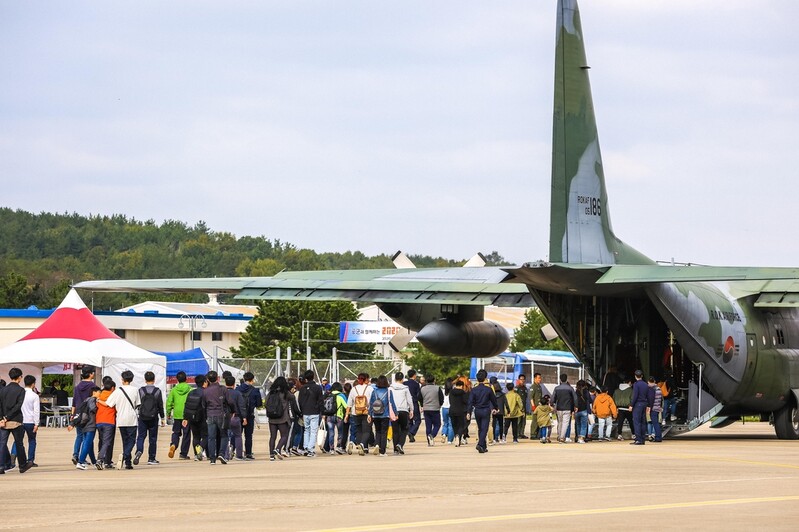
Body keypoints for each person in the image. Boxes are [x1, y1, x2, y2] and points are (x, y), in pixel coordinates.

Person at [101, 370, 139, 470]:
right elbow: (138, 404)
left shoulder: (118, 391)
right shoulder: (135, 390)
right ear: (131, 379)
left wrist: (98, 400)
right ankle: (126, 456)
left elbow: (108, 404)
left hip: (121, 419)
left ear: (122, 380)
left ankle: (128, 462)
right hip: (132, 419)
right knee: (132, 441)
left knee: (125, 441)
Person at [0, 368, 33, 474]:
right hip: (15, 420)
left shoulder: (3, 390)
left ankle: (1, 466)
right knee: (19, 443)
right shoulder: (21, 390)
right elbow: (18, 406)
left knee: (2, 443)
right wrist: (8, 417)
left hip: (3, 422)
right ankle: (22, 465)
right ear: (19, 377)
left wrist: (2, 418)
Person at [134, 371, 165, 465]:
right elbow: (160, 405)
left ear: (145, 380)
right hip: (153, 417)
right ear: (154, 379)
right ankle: (151, 458)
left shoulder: (141, 390)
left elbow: (138, 404)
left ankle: (139, 450)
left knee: (141, 436)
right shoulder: (157, 391)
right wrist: (162, 418)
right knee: (153, 438)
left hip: (142, 417)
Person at [68, 386, 102, 470]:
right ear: (94, 392)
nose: (100, 394)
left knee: (90, 444)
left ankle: (94, 462)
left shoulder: (86, 400)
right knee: (87, 443)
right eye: (99, 392)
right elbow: (93, 409)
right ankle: (81, 461)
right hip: (90, 424)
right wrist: (99, 404)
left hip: (85, 424)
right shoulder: (92, 400)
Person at [265, 376, 299, 461]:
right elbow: (293, 397)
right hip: (283, 418)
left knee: (272, 437)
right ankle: (277, 449)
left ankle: (271, 455)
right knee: (284, 435)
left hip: (272, 418)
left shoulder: (271, 392)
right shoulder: (285, 393)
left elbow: (266, 403)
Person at [466, 369, 498, 453]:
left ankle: (483, 447)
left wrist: (468, 412)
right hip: (486, 410)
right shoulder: (488, 389)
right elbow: (494, 400)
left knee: (480, 428)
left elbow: (470, 402)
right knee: (484, 428)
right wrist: (496, 408)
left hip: (477, 410)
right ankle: (480, 444)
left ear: (477, 379)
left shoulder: (474, 390)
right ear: (485, 378)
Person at [71, 366, 96, 465]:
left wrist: (72, 415)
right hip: (88, 415)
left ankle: (75, 454)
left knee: (79, 436)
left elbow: (74, 401)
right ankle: (83, 457)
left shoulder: (77, 386)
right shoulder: (92, 386)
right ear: (90, 374)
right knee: (87, 437)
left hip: (78, 413)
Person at [345, 373, 373, 456]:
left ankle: (360, 444)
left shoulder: (354, 389)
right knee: (367, 431)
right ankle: (363, 444)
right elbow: (372, 402)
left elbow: (349, 403)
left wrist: (347, 415)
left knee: (359, 430)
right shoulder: (370, 389)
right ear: (366, 380)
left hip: (355, 412)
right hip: (366, 412)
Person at [203, 370, 228, 464]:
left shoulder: (205, 391)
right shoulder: (223, 389)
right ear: (217, 378)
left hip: (210, 414)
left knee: (211, 437)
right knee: (224, 435)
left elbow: (203, 405)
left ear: (208, 379)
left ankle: (212, 458)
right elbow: (229, 402)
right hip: (221, 414)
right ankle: (221, 453)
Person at [166, 371, 192, 460]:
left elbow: (169, 402)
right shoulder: (190, 389)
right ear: (186, 379)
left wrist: (168, 413)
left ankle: (174, 444)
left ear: (177, 380)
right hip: (187, 415)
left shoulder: (173, 390)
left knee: (176, 432)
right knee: (186, 434)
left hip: (177, 414)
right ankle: (183, 454)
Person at [236, 372, 263, 460]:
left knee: (237, 435)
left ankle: (237, 452)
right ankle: (248, 453)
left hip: (238, 415)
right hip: (250, 415)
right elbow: (259, 404)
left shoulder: (237, 389)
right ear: (252, 379)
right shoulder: (255, 390)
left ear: (244, 379)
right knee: (248, 436)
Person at [297, 369, 322, 458]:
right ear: (313, 376)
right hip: (314, 412)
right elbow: (320, 400)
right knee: (313, 431)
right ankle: (311, 449)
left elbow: (299, 401)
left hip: (305, 412)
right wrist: (320, 410)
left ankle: (306, 447)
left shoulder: (302, 388)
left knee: (306, 430)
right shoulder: (318, 387)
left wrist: (302, 411)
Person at [182, 374, 207, 461]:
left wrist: (185, 418)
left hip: (192, 417)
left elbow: (186, 405)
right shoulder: (205, 392)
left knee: (196, 437)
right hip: (203, 417)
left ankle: (196, 455)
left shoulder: (191, 392)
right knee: (205, 436)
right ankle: (201, 449)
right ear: (204, 382)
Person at [17, 375, 40, 468]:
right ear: (33, 384)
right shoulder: (34, 396)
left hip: (20, 421)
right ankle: (30, 460)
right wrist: (37, 423)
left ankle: (14, 456)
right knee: (32, 440)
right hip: (30, 421)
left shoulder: (20, 393)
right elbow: (36, 410)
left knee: (18, 441)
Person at [388, 372, 413, 454]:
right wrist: (411, 409)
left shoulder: (390, 388)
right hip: (403, 410)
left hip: (393, 411)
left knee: (395, 431)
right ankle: (400, 444)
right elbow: (409, 400)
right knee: (404, 429)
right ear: (402, 379)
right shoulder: (405, 388)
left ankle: (395, 449)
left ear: (395, 378)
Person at [369, 375, 393, 456]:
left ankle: (377, 445)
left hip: (375, 415)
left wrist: (369, 414)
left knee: (377, 431)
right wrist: (395, 414)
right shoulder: (388, 391)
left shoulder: (374, 391)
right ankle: (382, 451)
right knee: (384, 432)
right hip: (385, 414)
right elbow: (392, 403)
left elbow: (371, 404)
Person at [96, 379, 116, 469]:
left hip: (99, 421)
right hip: (109, 421)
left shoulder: (99, 395)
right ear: (112, 388)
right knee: (107, 442)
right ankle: (102, 460)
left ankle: (103, 458)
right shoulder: (113, 395)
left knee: (101, 440)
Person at [551, 373, 578, 443]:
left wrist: (552, 405)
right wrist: (576, 406)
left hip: (559, 408)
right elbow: (575, 398)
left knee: (560, 422)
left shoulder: (556, 388)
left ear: (560, 379)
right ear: (566, 379)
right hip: (567, 408)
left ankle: (559, 436)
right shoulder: (570, 388)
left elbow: (553, 398)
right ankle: (562, 437)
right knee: (565, 423)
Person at [323, 382, 348, 454]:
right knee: (340, 432)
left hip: (329, 416)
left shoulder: (328, 395)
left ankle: (331, 449)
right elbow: (346, 406)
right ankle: (338, 447)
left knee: (331, 432)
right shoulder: (341, 396)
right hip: (339, 416)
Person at [419, 374, 443, 446]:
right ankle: (432, 435)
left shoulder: (423, 389)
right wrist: (440, 404)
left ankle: (429, 441)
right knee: (437, 424)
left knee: (428, 425)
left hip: (426, 409)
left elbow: (419, 397)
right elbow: (441, 398)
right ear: (434, 380)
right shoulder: (437, 388)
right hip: (435, 408)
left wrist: (422, 405)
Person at [630, 370, 649, 445]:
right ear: (642, 376)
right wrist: (648, 405)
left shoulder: (636, 384)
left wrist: (631, 404)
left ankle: (638, 439)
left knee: (637, 422)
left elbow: (635, 395)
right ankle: (643, 439)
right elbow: (648, 395)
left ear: (635, 376)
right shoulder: (645, 384)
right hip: (644, 403)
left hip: (638, 404)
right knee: (643, 422)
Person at [448, 379, 468, 446]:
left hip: (452, 410)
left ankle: (456, 435)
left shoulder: (451, 392)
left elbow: (450, 401)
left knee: (454, 425)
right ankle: (458, 437)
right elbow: (466, 402)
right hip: (460, 411)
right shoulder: (463, 393)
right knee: (461, 425)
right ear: (462, 386)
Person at [613, 376, 634, 440]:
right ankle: (634, 434)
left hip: (619, 408)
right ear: (629, 382)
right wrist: (631, 405)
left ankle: (619, 434)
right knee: (631, 422)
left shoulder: (616, 390)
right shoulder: (631, 390)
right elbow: (632, 399)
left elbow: (613, 399)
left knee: (620, 422)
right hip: (628, 408)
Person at [404, 369, 422, 442]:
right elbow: (418, 395)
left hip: (406, 403)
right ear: (414, 375)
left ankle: (411, 434)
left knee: (409, 420)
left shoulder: (404, 383)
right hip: (414, 402)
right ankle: (412, 432)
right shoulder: (416, 384)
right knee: (418, 420)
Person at [574, 379, 592, 444]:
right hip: (584, 410)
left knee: (578, 425)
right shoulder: (586, 391)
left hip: (577, 410)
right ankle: (581, 438)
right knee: (584, 425)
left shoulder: (576, 392)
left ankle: (578, 437)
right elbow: (590, 400)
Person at [647, 376, 663, 443]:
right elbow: (661, 399)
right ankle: (658, 437)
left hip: (653, 408)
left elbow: (651, 400)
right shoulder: (659, 389)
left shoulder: (652, 390)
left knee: (655, 423)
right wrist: (660, 407)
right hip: (657, 407)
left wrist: (649, 407)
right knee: (656, 423)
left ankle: (658, 437)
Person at [529, 373, 544, 438]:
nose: (540, 379)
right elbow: (531, 397)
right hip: (535, 406)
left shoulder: (539, 386)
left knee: (539, 421)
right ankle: (533, 434)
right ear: (535, 378)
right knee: (534, 421)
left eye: (540, 378)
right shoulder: (533, 387)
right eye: (538, 378)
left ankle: (538, 434)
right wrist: (533, 406)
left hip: (539, 407)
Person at [515, 374, 530, 438]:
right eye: (521, 379)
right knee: (518, 420)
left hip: (524, 406)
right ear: (518, 380)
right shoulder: (516, 388)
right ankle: (517, 434)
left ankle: (521, 433)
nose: (522, 381)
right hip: (518, 407)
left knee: (523, 421)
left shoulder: (525, 388)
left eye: (523, 379)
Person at [440, 378, 453, 444]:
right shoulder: (453, 391)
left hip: (444, 408)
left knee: (445, 423)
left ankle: (444, 434)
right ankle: (449, 440)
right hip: (451, 408)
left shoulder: (442, 391)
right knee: (451, 424)